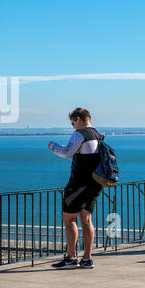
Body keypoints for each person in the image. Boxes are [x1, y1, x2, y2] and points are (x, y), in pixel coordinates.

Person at [48, 107, 102, 269]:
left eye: (73, 122)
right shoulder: (97, 134)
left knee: (69, 218)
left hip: (79, 184)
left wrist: (54, 146)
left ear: (78, 119)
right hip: (95, 184)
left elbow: (67, 153)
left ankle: (72, 258)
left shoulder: (80, 134)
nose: (73, 126)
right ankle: (87, 258)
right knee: (86, 220)